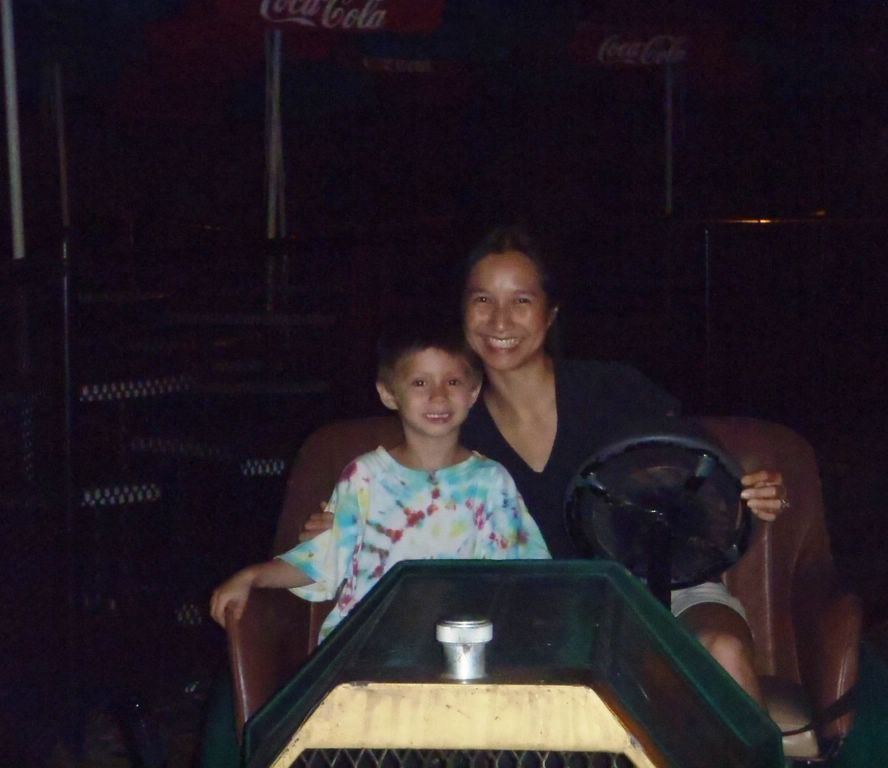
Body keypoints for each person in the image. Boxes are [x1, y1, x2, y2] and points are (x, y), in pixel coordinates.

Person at [303, 226, 787, 705]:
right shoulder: (451, 422)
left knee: (722, 650)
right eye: (483, 300)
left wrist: (757, 490)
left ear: (550, 313)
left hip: (660, 586)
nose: (500, 320)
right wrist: (334, 530)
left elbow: (709, 472)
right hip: (532, 612)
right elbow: (399, 503)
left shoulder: (610, 389)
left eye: (521, 301)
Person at [211, 319, 550, 640]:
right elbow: (320, 560)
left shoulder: (491, 483)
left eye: (453, 382)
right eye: (419, 382)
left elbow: (527, 575)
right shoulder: (365, 478)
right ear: (389, 393)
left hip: (459, 652)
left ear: (473, 392)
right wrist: (252, 576)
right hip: (366, 649)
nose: (438, 396)